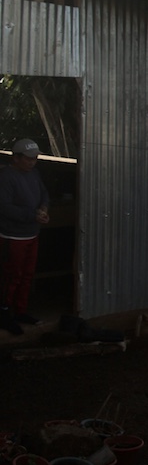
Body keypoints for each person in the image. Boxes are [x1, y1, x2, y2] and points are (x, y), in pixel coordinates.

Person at [0, 138, 49, 334]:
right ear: (16, 157)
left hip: (32, 234)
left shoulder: (34, 174)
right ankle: (4, 314)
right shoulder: (6, 177)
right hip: (13, 237)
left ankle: (20, 311)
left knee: (27, 275)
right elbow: (4, 207)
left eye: (34, 159)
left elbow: (44, 193)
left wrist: (44, 207)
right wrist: (32, 215)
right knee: (10, 276)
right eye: (28, 159)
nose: (32, 162)